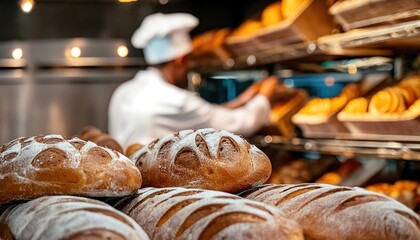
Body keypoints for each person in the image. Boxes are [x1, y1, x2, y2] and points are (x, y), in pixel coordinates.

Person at [108, 12, 279, 148]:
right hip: (159, 187)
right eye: (188, 60)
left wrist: (242, 100)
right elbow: (239, 124)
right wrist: (265, 95)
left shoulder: (123, 91)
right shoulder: (176, 100)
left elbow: (200, 115)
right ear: (180, 59)